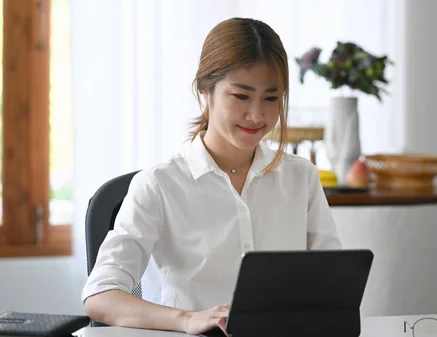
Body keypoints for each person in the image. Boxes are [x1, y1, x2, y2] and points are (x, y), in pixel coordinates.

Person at [81, 17, 342, 336]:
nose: (257, 115)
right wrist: (187, 319)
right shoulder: (159, 185)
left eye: (271, 98)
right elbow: (100, 296)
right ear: (205, 90)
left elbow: (335, 288)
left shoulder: (301, 177)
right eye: (241, 96)